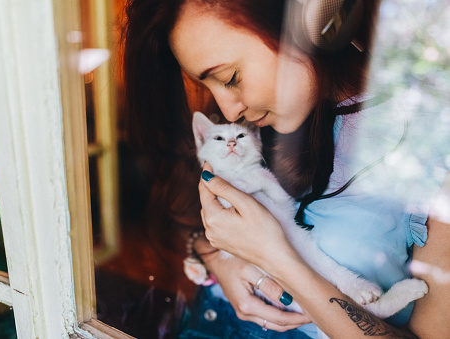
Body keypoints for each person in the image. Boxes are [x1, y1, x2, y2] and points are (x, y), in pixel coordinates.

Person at [121, 0, 450, 338]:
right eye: (208, 86)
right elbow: (189, 218)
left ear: (316, 18)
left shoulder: (431, 140)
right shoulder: (251, 127)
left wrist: (275, 258)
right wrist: (219, 258)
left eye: (230, 78)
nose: (229, 112)